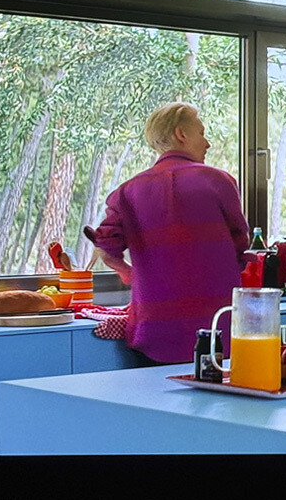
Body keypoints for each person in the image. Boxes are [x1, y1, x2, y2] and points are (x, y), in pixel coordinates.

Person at [91, 102, 251, 364]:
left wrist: (128, 272)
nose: (207, 143)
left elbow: (106, 249)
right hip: (217, 332)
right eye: (202, 133)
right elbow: (240, 247)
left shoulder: (127, 192)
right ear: (181, 134)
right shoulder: (219, 182)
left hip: (153, 334)